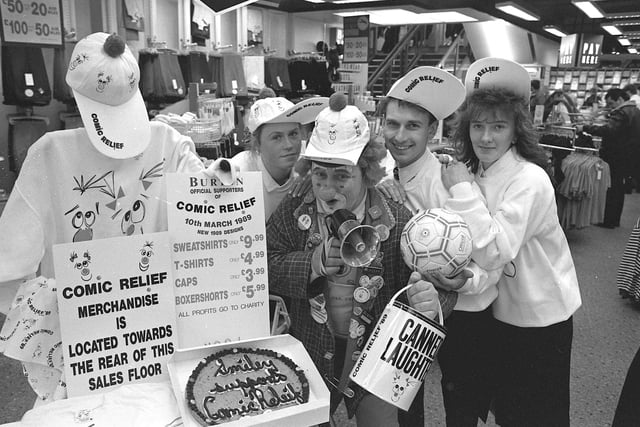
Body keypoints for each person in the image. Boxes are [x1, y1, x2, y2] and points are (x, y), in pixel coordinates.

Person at [0, 32, 222, 403]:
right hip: (129, 333)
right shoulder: (54, 153)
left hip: (120, 335)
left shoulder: (166, 144)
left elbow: (10, 265)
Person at [266, 93, 457, 427]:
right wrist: (312, 264)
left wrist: (432, 301)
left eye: (341, 176)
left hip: (376, 364)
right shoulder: (295, 207)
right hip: (309, 354)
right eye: (319, 175)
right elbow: (264, 266)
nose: (327, 189)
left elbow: (435, 291)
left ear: (366, 172)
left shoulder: (395, 219)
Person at [441, 57, 582, 427]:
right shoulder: (478, 173)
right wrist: (464, 280)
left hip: (541, 316)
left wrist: (459, 188)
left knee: (541, 414)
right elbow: (477, 251)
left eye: (498, 127)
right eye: (478, 126)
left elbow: (493, 250)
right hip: (501, 311)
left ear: (516, 130)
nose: (486, 137)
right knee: (510, 410)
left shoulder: (529, 179)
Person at [376, 66, 501, 427]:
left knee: (459, 407)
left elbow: (489, 263)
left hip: (463, 315)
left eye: (413, 126)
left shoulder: (449, 181)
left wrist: (462, 281)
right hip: (410, 308)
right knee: (403, 399)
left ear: (432, 131)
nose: (400, 136)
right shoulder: (386, 175)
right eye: (392, 124)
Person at [231, 96, 328, 221]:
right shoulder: (240, 172)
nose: (289, 145)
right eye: (276, 137)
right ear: (257, 144)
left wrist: (316, 177)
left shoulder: (312, 158)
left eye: (293, 134)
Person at [580, 88, 640, 228]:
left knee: (611, 187)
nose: (610, 106)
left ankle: (608, 220)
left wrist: (585, 127)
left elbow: (609, 130)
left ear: (619, 99)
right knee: (618, 187)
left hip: (615, 154)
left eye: (611, 103)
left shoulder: (622, 112)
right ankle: (614, 220)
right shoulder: (635, 111)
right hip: (627, 155)